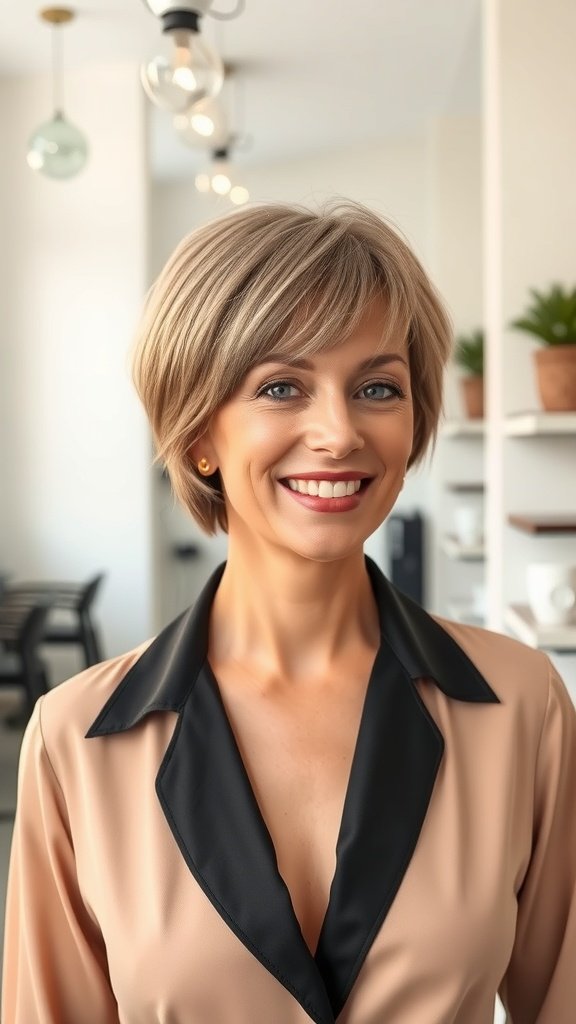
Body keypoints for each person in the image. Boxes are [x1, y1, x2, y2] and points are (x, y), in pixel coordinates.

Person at [3, 201, 576, 1024]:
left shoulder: (519, 704)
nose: (339, 432)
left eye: (377, 387)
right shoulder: (78, 741)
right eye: (281, 388)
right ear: (199, 431)